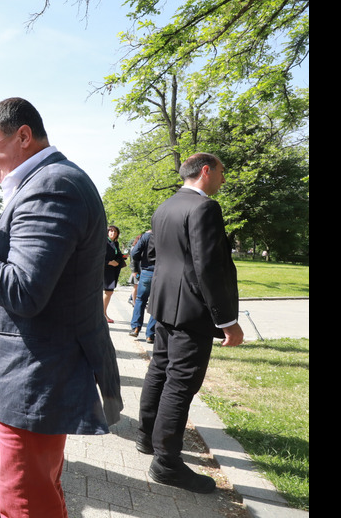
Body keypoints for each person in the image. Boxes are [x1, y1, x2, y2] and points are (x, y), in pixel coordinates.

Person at [0, 98, 122, 518]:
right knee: (39, 493)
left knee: (24, 504)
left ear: (23, 136)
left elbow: (25, 289)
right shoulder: (42, 183)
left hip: (33, 379)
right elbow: (35, 277)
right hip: (33, 372)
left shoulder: (52, 186)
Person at [137, 152, 244, 493]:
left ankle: (147, 437)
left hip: (165, 305)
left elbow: (157, 258)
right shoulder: (204, 208)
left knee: (160, 369)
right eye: (222, 172)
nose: (224, 180)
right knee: (181, 383)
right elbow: (208, 267)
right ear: (207, 171)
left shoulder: (165, 206)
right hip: (192, 312)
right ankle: (167, 463)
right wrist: (227, 320)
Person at [130, 229, 157, 342]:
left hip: (146, 272)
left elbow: (134, 253)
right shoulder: (168, 234)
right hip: (162, 273)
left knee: (140, 300)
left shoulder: (147, 236)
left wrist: (140, 264)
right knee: (156, 304)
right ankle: (150, 334)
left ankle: (136, 328)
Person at [103, 225, 127, 323]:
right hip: (104, 270)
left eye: (115, 231)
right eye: (111, 231)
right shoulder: (104, 242)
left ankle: (103, 313)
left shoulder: (115, 243)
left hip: (112, 271)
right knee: (108, 292)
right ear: (107, 232)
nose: (113, 233)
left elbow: (118, 255)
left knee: (109, 292)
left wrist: (122, 257)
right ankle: (102, 314)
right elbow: (97, 256)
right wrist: (108, 262)